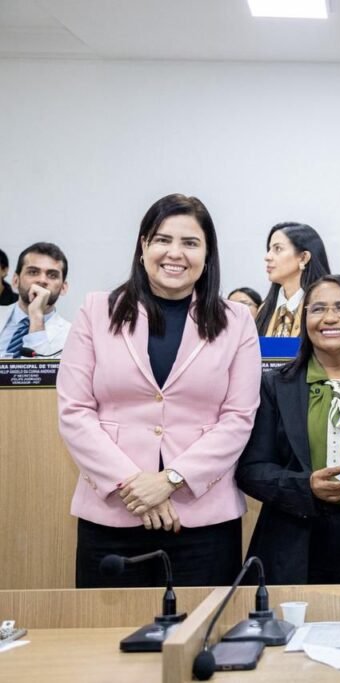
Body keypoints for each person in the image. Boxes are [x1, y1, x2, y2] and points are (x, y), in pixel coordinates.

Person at [57, 194, 261, 588]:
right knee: (105, 642)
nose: (175, 253)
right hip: (114, 512)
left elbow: (238, 419)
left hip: (203, 518)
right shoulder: (97, 310)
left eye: (190, 243)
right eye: (162, 239)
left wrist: (169, 481)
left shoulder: (236, 322)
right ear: (143, 246)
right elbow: (75, 411)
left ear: (207, 255)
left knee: (200, 639)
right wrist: (134, 485)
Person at [237, 275, 340, 584]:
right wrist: (306, 486)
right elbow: (251, 470)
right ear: (305, 319)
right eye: (317, 309)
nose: (329, 318)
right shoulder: (275, 387)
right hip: (293, 544)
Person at [254, 222, 330, 337]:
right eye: (269, 249)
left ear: (304, 257)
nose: (267, 257)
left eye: (278, 249)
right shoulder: (264, 309)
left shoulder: (324, 306)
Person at [0, 242, 71, 358]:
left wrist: (37, 316)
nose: (42, 280)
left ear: (63, 288)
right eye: (33, 272)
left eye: (52, 275)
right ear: (15, 281)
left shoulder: (71, 335)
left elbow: (40, 375)